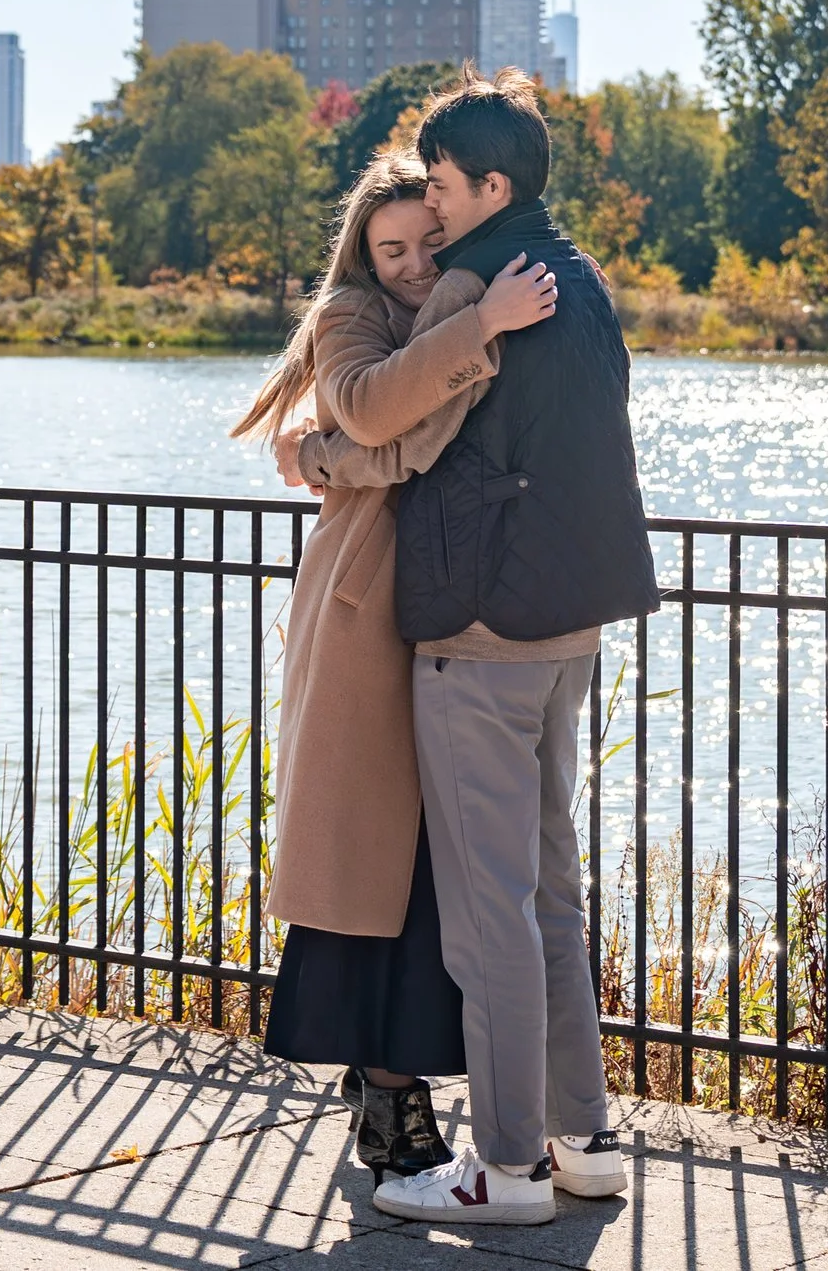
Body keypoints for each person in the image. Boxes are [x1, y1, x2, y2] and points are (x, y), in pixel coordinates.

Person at [308, 71, 660, 1226]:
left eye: (446, 184)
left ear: (490, 185)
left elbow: (382, 421)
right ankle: (583, 1140)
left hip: (477, 631)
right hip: (570, 624)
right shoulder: (582, 272)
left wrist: (323, 459)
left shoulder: (479, 279)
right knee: (550, 893)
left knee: (488, 911)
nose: (435, 205)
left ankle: (504, 1167)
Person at [230, 149, 558, 1185]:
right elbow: (383, 420)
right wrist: (469, 333)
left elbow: (398, 437)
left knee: (443, 868)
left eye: (430, 239)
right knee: (379, 868)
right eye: (392, 248)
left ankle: (411, 1086)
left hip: (458, 609)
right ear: (362, 255)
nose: (415, 261)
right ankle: (388, 1094)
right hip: (370, 612)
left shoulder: (471, 306)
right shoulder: (349, 315)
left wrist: (326, 454)